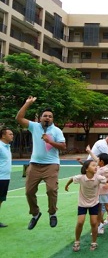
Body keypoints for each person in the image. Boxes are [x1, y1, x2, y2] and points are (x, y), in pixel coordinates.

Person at [15, 96, 66, 230]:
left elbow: (63, 146)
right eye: (45, 116)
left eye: (50, 116)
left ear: (52, 119)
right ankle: (35, 213)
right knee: (29, 191)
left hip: (51, 165)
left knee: (51, 190)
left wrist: (50, 142)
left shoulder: (57, 131)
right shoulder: (34, 127)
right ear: (40, 118)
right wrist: (27, 104)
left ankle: (52, 213)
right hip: (34, 164)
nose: (47, 118)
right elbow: (19, 119)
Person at [65, 160, 108, 252]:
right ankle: (77, 241)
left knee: (94, 223)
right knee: (80, 222)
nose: (96, 167)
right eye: (93, 165)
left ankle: (94, 242)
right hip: (82, 203)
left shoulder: (98, 178)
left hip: (94, 203)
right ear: (86, 169)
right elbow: (72, 178)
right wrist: (66, 186)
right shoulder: (81, 178)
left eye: (96, 166)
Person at [85, 146, 108, 235]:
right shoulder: (98, 168)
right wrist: (89, 151)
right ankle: (100, 225)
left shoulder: (105, 169)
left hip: (104, 192)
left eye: (98, 160)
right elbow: (95, 159)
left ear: (101, 162)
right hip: (97, 192)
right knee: (98, 209)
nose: (96, 161)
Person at [0, 128, 14, 228]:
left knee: (0, 200)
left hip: (5, 177)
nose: (12, 135)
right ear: (3, 136)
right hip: (0, 177)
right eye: (10, 134)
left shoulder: (7, 146)